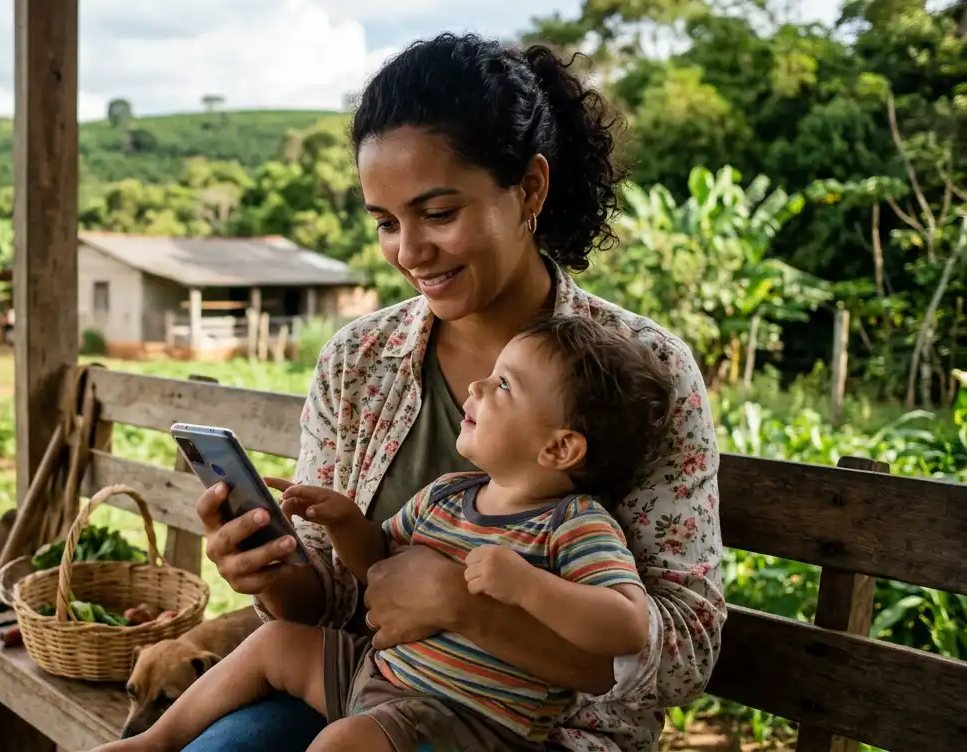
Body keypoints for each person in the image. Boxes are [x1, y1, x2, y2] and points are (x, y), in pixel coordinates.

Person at [184, 32, 726, 752]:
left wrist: (466, 609)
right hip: (367, 692)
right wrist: (273, 573)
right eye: (385, 222)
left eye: (438, 214)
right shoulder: (359, 360)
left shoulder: (638, 368)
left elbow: (682, 649)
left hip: (535, 733)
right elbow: (338, 598)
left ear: (529, 188)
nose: (409, 252)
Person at [97, 315, 676, 752]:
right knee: (276, 645)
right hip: (383, 677)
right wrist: (346, 521)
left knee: (337, 746)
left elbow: (625, 626)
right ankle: (155, 742)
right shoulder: (449, 494)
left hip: (468, 721)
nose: (477, 387)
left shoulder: (574, 526)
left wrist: (528, 587)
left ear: (559, 447)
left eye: (502, 386)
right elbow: (379, 564)